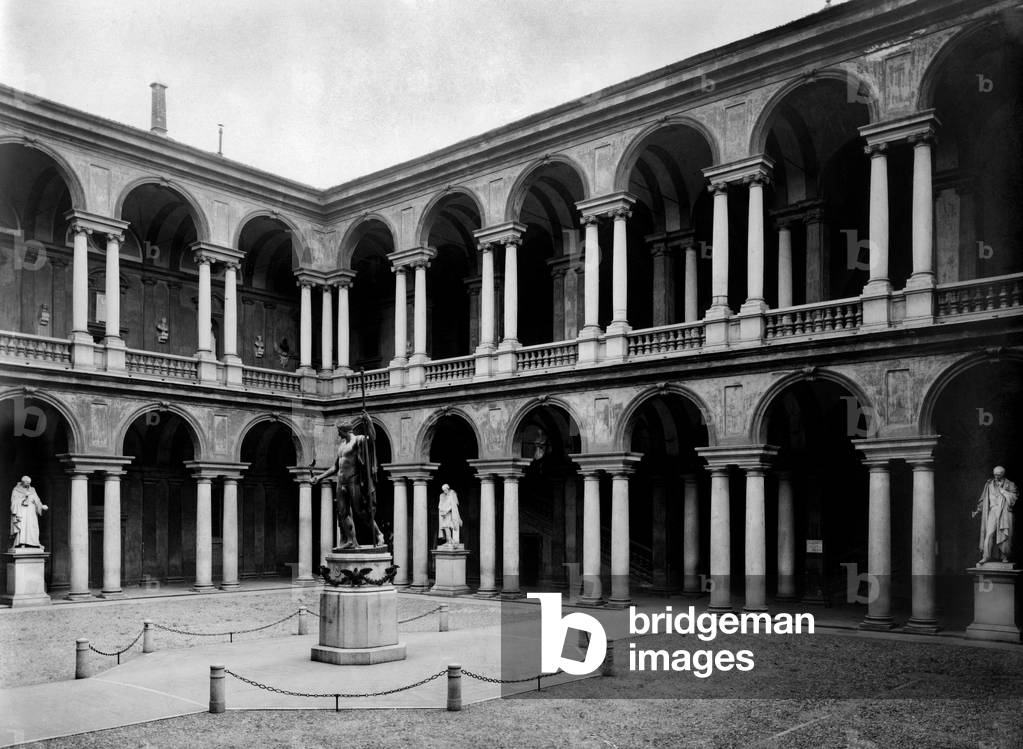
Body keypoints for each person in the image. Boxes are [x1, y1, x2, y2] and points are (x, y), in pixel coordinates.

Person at [313, 410, 384, 549]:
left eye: (338, 431)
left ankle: (379, 534)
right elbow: (335, 467)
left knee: (361, 512)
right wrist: (320, 477)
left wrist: (368, 422)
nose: (338, 433)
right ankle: (351, 540)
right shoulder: (341, 446)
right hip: (341, 482)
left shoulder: (358, 440)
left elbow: (373, 438)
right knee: (342, 512)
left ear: (343, 430)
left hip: (354, 481)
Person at [972, 465, 1017, 565]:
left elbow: (1014, 498)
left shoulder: (1010, 484)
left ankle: (1005, 556)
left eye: (999, 475)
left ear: (1003, 474)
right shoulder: (989, 484)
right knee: (989, 534)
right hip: (993, 510)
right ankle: (986, 556)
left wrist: (1003, 491)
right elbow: (983, 499)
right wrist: (977, 510)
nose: (996, 477)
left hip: (1004, 511)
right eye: (995, 474)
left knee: (1004, 533)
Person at [10, 476, 47, 549]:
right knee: (23, 526)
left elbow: (37, 500)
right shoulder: (16, 490)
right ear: (22, 482)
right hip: (22, 511)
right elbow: (13, 502)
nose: (28, 485)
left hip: (31, 511)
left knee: (33, 526)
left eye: (29, 483)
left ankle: (35, 542)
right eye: (27, 483)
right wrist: (24, 498)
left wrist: (41, 506)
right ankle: (22, 543)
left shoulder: (32, 489)